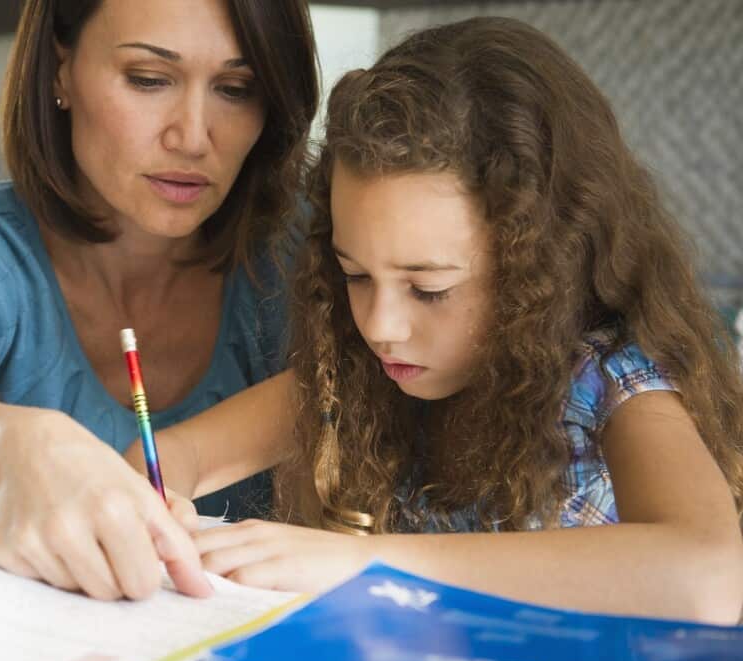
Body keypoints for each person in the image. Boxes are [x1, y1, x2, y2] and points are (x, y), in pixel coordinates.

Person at [150, 17, 743, 624]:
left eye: (428, 289)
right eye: (355, 275)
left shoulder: (610, 380)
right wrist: (151, 498)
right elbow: (173, 456)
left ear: (541, 267)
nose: (381, 326)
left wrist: (367, 561)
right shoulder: (365, 376)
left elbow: (710, 574)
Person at [0, 0, 318, 601]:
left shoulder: (313, 250)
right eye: (148, 79)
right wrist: (18, 448)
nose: (192, 137)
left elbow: (366, 395)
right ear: (61, 68)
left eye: (237, 89)